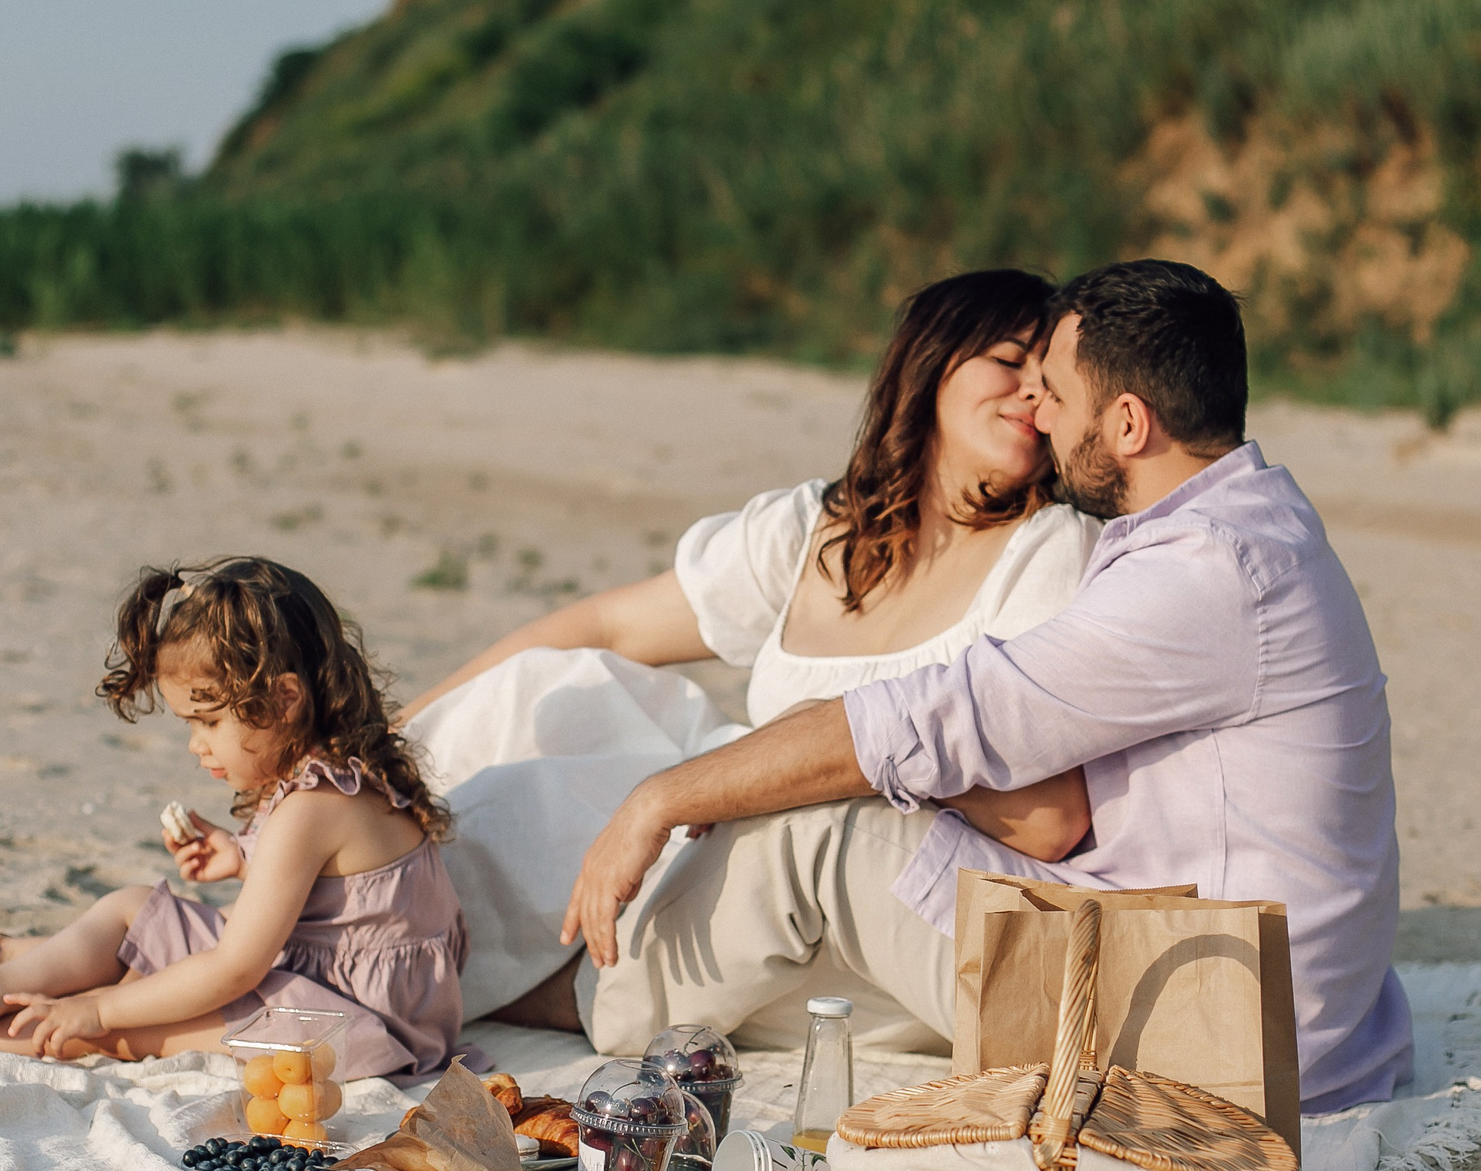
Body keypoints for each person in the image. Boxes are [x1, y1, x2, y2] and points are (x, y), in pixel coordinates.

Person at [563, 259, 1415, 1112]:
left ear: (1126, 421)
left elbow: (933, 722)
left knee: (821, 829)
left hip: (1201, 1036)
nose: (1036, 413)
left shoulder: (1202, 574)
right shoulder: (1254, 522)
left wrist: (661, 799)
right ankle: (616, 988)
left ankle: (582, 1003)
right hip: (1257, 999)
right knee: (852, 806)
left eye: (1055, 393)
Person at [400, 269, 1104, 1030]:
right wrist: (387, 738)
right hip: (750, 869)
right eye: (1009, 359)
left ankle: (527, 990)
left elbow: (1047, 818)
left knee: (769, 821)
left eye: (1052, 381)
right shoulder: (821, 528)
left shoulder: (1049, 555)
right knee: (544, 691)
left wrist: (794, 765)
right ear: (931, 364)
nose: (1033, 393)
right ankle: (334, 838)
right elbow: (611, 626)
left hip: (881, 911)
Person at [0, 557, 467, 1084]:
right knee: (131, 905)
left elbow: (234, 970)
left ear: (283, 697)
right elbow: (344, 884)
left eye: (209, 721)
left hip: (354, 1031)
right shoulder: (341, 776)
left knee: (124, 1030)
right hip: (315, 981)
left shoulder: (312, 807)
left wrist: (100, 1010)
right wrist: (242, 856)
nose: (197, 745)